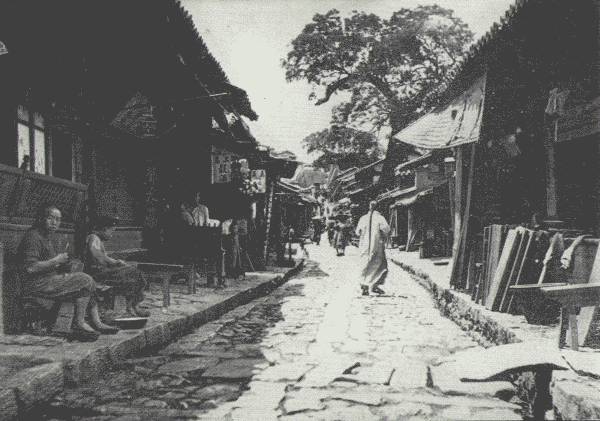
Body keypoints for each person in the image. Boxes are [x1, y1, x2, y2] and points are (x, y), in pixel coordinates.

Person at [17, 205, 118, 341]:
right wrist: (55, 260)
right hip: (37, 284)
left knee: (86, 280)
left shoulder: (45, 236)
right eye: (50, 218)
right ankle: (80, 323)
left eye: (58, 220)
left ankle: (96, 321)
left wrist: (62, 263)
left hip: (48, 280)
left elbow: (46, 264)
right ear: (41, 218)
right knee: (85, 279)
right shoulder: (33, 237)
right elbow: (30, 268)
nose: (54, 223)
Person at [84, 216, 150, 317]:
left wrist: (115, 262)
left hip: (103, 272)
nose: (111, 234)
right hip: (97, 274)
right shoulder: (93, 237)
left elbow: (103, 256)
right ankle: (131, 306)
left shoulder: (98, 239)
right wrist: (114, 263)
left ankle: (133, 306)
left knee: (135, 273)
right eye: (111, 231)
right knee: (134, 273)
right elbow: (96, 254)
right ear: (104, 229)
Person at [356, 201, 391, 296]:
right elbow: (387, 229)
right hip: (377, 245)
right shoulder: (380, 218)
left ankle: (365, 285)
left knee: (365, 264)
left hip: (364, 245)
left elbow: (357, 232)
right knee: (381, 265)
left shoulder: (363, 218)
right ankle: (373, 285)